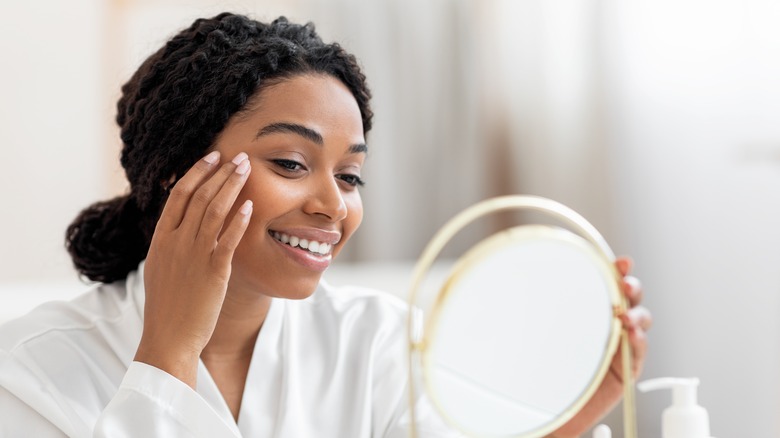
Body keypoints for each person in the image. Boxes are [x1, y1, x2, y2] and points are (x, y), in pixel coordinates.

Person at [0, 12, 651, 438]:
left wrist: (578, 417)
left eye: (350, 176)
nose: (334, 206)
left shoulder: (373, 341)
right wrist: (168, 356)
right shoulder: (29, 371)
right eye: (290, 162)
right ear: (176, 173)